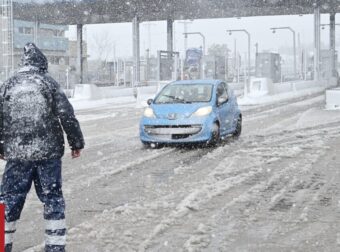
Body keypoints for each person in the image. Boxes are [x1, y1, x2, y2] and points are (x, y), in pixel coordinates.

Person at [0, 43, 85, 252]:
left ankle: (2, 245)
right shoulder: (48, 83)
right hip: (48, 154)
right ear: (41, 64)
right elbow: (66, 114)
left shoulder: (8, 85)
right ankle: (55, 247)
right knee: (52, 200)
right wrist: (76, 143)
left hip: (18, 154)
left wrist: (2, 145)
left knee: (8, 201)